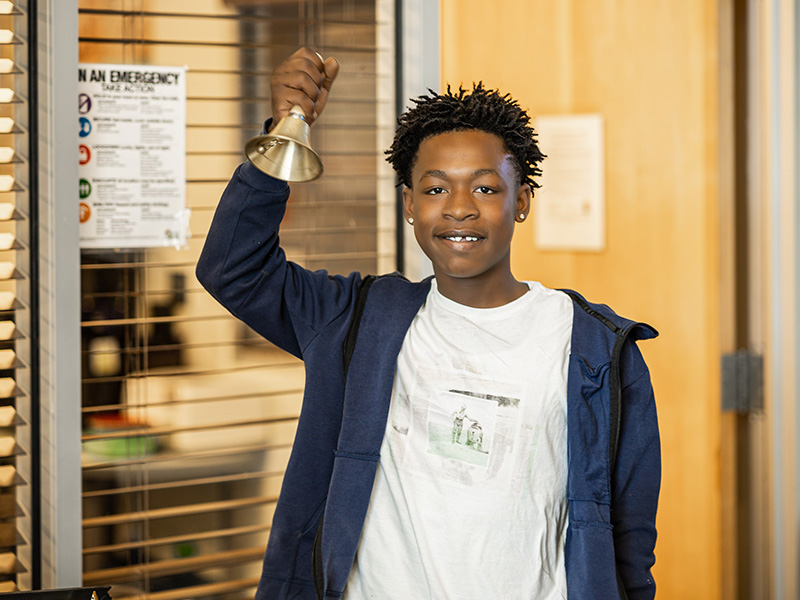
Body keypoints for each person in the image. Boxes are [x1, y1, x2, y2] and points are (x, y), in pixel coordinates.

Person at [197, 47, 660, 600]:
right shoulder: (355, 321)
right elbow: (234, 268)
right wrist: (284, 131)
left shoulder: (595, 350)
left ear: (522, 202)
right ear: (410, 205)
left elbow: (628, 546)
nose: (459, 207)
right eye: (436, 188)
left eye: (485, 188)